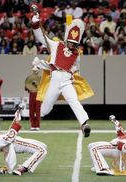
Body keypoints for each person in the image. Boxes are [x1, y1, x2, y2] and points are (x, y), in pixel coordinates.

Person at [31, 9, 93, 137]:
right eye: (71, 42)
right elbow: (42, 37)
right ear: (66, 39)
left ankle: (84, 124)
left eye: (75, 43)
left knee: (74, 101)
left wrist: (74, 79)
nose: (72, 45)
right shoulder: (55, 45)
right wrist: (36, 23)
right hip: (55, 79)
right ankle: (35, 114)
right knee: (44, 111)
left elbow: (77, 70)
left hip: (67, 81)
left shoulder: (77, 54)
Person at [25, 64, 41, 130]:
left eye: (36, 71)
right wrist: (29, 86)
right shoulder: (29, 78)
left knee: (37, 110)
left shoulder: (40, 78)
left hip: (38, 95)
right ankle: (32, 125)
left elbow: (41, 87)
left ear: (38, 71)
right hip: (31, 94)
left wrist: (36, 85)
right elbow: (26, 87)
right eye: (34, 71)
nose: (35, 72)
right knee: (31, 110)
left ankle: (37, 125)